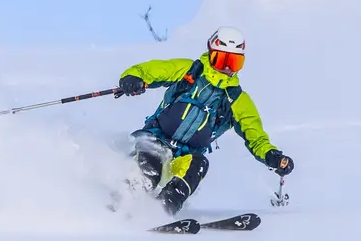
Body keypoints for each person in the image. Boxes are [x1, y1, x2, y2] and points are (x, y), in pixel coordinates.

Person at [114, 26, 294, 214]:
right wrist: (133, 78)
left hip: (183, 156)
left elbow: (255, 136)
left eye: (233, 62)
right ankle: (118, 204)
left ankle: (159, 213)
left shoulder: (237, 100)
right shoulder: (189, 71)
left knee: (198, 165)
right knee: (151, 166)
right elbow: (153, 70)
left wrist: (272, 156)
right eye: (222, 59)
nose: (226, 68)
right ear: (210, 53)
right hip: (154, 139)